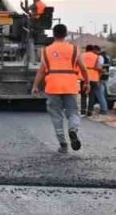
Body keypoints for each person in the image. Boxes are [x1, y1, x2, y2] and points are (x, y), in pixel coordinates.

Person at [33, 24, 89, 153]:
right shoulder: (74, 49)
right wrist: (86, 83)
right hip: (70, 85)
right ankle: (73, 130)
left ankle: (63, 144)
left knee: (56, 115)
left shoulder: (46, 50)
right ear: (66, 34)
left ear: (53, 34)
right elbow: (83, 68)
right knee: (73, 112)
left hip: (52, 87)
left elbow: (41, 71)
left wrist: (35, 86)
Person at [81, 45, 108, 116]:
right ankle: (90, 112)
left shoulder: (81, 56)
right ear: (92, 49)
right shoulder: (97, 57)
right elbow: (98, 67)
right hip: (94, 78)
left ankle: (82, 111)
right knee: (91, 95)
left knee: (83, 95)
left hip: (83, 78)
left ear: (86, 50)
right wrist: (102, 71)